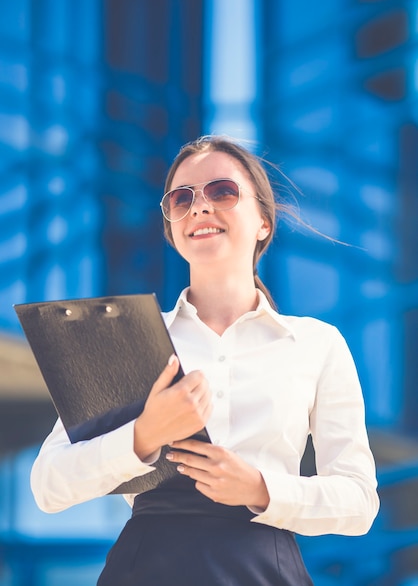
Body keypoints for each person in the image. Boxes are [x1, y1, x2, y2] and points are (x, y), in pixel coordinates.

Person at [31, 135, 380, 585]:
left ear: (263, 223)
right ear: (173, 229)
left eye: (222, 191)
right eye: (181, 198)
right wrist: (144, 435)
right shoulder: (125, 336)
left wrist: (259, 487)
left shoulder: (316, 343)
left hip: (262, 570)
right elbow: (47, 485)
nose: (199, 207)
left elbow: (358, 503)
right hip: (143, 570)